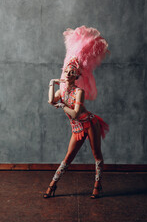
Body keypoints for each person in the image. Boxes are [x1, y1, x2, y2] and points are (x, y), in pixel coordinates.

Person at [43, 26, 109, 199]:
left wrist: (61, 107)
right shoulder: (62, 92)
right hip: (77, 128)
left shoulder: (79, 92)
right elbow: (51, 100)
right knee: (68, 158)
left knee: (97, 154)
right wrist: (52, 82)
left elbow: (74, 113)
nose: (68, 74)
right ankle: (53, 185)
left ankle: (98, 185)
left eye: (72, 72)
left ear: (76, 76)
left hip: (89, 123)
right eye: (66, 71)